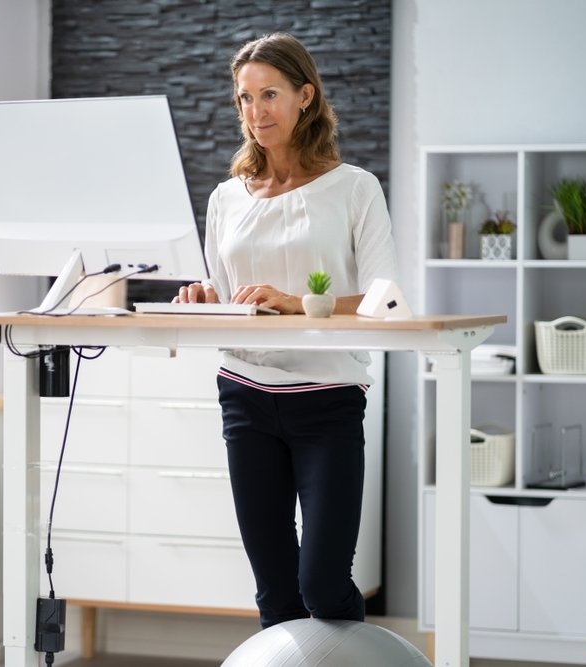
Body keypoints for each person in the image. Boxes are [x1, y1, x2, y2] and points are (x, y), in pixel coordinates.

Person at [173, 33, 399, 628]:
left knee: (322, 587)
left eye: (269, 94)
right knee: (276, 595)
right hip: (244, 396)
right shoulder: (226, 198)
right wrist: (203, 301)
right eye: (244, 98)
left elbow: (386, 301)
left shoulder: (354, 188)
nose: (255, 112)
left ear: (305, 96)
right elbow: (228, 298)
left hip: (327, 399)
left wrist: (299, 303)